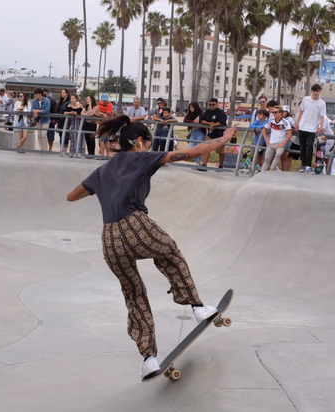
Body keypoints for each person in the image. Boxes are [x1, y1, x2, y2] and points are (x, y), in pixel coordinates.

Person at [65, 114, 237, 379]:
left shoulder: (102, 171)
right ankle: (197, 307)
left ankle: (148, 359)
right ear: (139, 142)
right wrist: (224, 138)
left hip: (109, 240)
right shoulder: (141, 158)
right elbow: (195, 152)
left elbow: (71, 196)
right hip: (135, 226)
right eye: (147, 142)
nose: (148, 146)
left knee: (134, 294)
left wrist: (99, 188)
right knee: (169, 253)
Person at [295, 84, 327, 173]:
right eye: (313, 91)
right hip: (302, 126)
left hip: (312, 128)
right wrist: (297, 123)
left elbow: (322, 116)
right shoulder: (305, 99)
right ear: (311, 91)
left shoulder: (322, 103)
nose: (315, 92)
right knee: (302, 147)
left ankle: (308, 166)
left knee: (310, 146)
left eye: (317, 91)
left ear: (320, 91)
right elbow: (301, 112)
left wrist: (321, 127)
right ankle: (304, 165)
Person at [260, 106, 292, 172]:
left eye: (276, 112)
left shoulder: (285, 122)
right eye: (273, 112)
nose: (274, 114)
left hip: (280, 142)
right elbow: (264, 130)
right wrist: (267, 141)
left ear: (281, 113)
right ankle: (262, 172)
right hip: (271, 142)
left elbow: (289, 134)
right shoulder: (271, 121)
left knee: (278, 155)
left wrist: (284, 144)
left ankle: (271, 170)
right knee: (267, 159)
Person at [201, 98, 228, 168]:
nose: (211, 106)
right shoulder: (207, 112)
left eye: (213, 104)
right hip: (210, 134)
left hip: (220, 135)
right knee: (206, 149)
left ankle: (221, 165)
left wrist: (213, 125)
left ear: (217, 104)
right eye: (210, 104)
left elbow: (221, 122)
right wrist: (209, 123)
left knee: (220, 151)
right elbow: (202, 121)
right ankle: (204, 165)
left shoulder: (220, 112)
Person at [183, 102, 206, 167]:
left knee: (199, 149)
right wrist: (192, 122)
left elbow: (204, 121)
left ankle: (198, 164)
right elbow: (185, 120)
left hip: (200, 132)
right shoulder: (189, 114)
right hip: (192, 132)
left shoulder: (201, 114)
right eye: (190, 107)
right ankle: (198, 162)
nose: (191, 109)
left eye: (192, 107)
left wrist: (199, 122)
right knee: (191, 149)